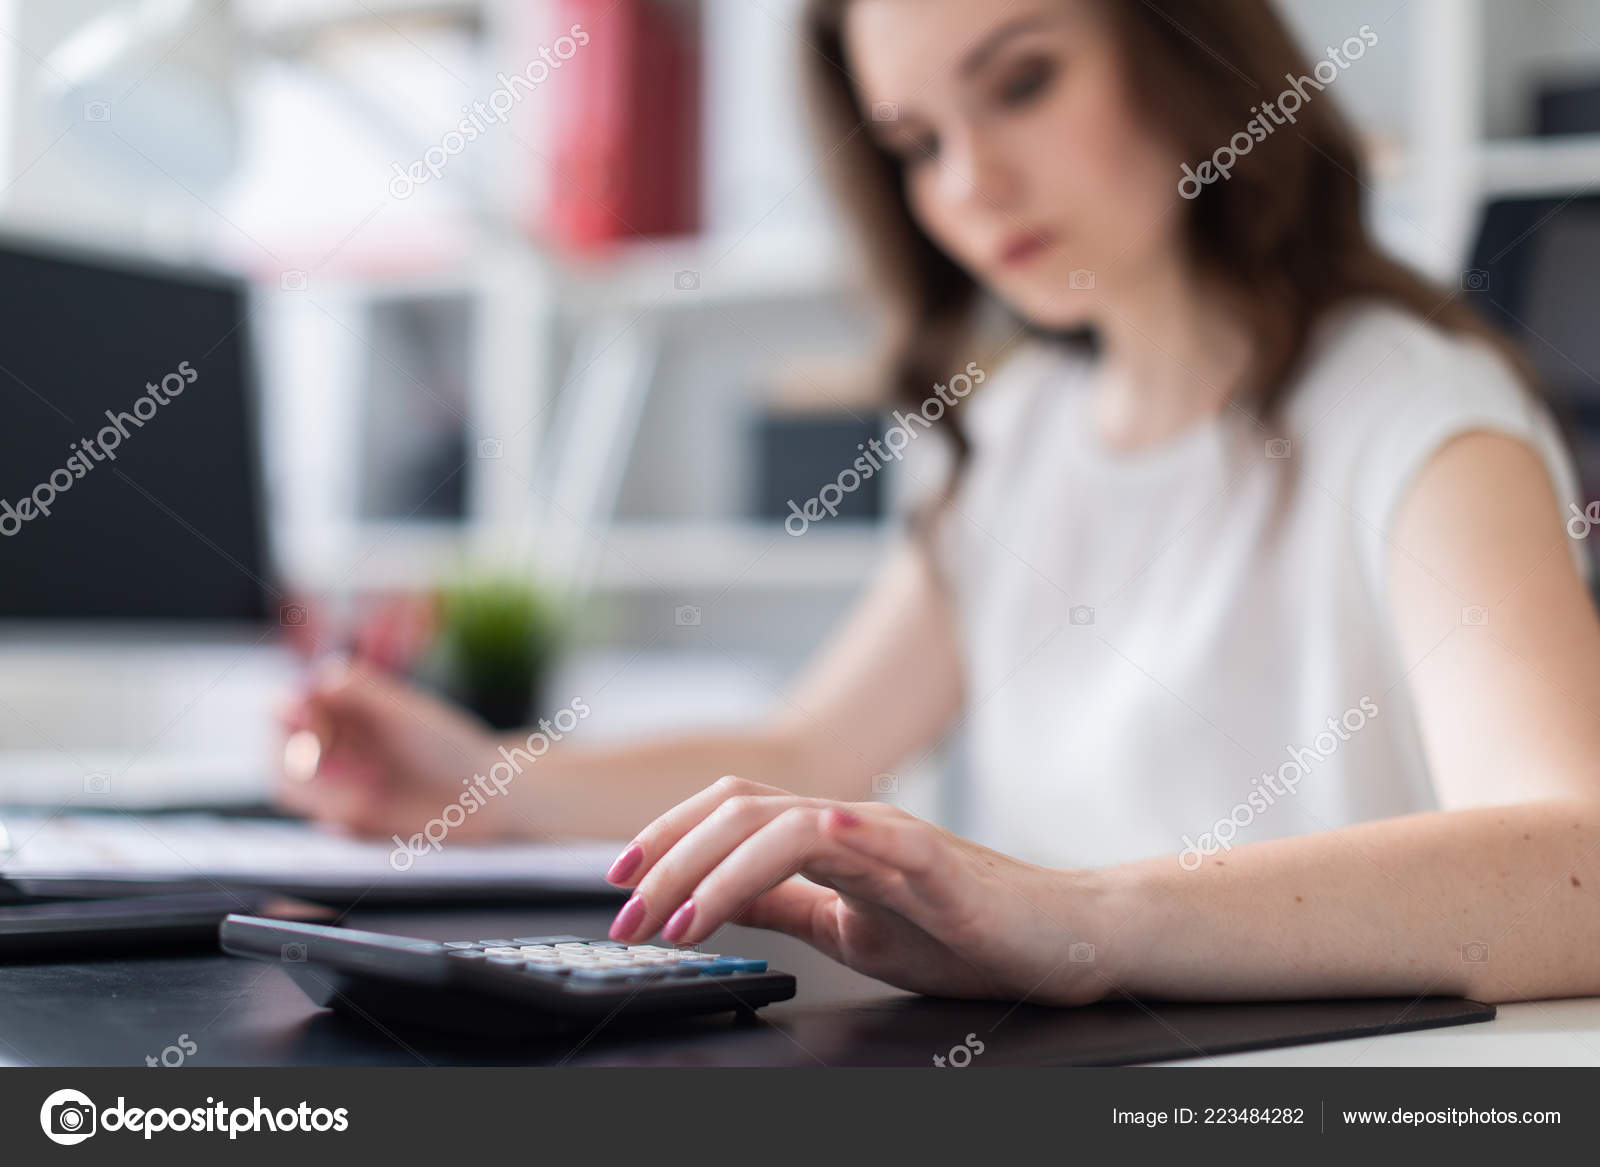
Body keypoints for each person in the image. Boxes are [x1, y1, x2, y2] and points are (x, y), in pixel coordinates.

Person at [278, 0, 1600, 1006]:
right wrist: (482, 782)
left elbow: (1578, 870)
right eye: (915, 142)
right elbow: (815, 756)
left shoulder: (1417, 414)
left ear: (1187, 48)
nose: (969, 183)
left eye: (1021, 83)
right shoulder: (1017, 428)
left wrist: (1078, 917)